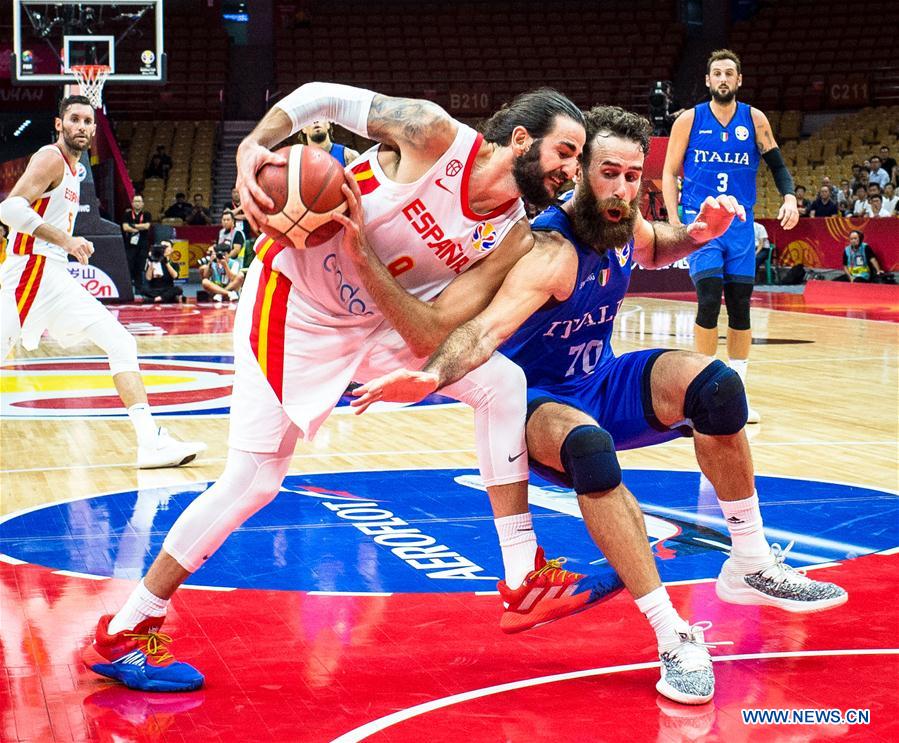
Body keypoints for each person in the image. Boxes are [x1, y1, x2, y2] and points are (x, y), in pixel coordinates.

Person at [84, 84, 594, 694]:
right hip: (293, 303)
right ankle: (129, 626)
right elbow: (320, 96)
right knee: (253, 481)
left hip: (377, 320)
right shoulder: (433, 134)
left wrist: (362, 256)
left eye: (577, 159)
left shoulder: (512, 236)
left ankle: (521, 574)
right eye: (566, 152)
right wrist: (254, 146)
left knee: (502, 382)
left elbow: (429, 327)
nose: (572, 170)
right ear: (522, 139)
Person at [352, 106, 847, 704]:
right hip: (538, 406)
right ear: (581, 170)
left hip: (599, 380)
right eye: (608, 173)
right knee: (591, 449)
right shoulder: (549, 249)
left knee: (718, 388)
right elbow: (483, 331)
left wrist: (699, 233)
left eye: (633, 176)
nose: (621, 189)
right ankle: (672, 634)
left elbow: (655, 247)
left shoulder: (624, 220)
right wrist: (430, 377)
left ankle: (750, 561)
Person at [0, 95, 205, 469]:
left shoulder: (75, 170)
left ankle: (150, 442)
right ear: (59, 124)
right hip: (30, 270)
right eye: (74, 119)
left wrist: (64, 246)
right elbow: (9, 208)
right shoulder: (50, 157)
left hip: (52, 274)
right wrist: (66, 240)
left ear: (95, 129)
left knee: (120, 341)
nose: (81, 126)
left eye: (87, 121)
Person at [662, 49, 800, 424]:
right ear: (708, 80)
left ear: (739, 80)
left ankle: (736, 393)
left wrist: (789, 196)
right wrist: (675, 222)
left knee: (740, 306)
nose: (723, 79)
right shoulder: (689, 120)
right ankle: (701, 390)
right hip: (702, 222)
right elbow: (669, 172)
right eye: (717, 73)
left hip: (740, 225)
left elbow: (778, 166)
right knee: (708, 299)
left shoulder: (754, 119)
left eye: (729, 73)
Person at [121, 194, 152, 292]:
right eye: (135, 201)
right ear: (132, 203)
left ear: (143, 204)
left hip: (143, 245)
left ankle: (139, 288)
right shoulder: (127, 214)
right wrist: (139, 227)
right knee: (129, 265)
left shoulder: (146, 214)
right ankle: (128, 288)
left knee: (140, 266)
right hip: (130, 245)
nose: (137, 203)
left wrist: (133, 226)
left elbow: (147, 226)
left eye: (139, 201)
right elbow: (125, 227)